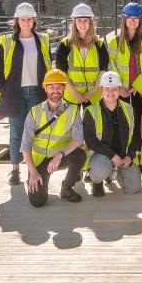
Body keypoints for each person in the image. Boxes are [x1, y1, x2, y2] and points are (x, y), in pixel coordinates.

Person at [0, 2, 51, 186]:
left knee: (33, 133)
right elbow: (1, 70)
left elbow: (48, 65)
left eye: (29, 19)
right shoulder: (7, 41)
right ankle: (15, 169)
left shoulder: (42, 40)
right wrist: (3, 90)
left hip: (36, 91)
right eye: (22, 19)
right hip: (15, 92)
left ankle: (31, 170)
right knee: (16, 132)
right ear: (16, 21)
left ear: (34, 20)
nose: (26, 23)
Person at [20, 69, 86, 207]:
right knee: (37, 202)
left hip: (60, 157)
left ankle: (67, 188)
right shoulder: (34, 112)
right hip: (40, 160)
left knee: (80, 155)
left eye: (59, 86)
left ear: (64, 88)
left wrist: (60, 155)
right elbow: (25, 146)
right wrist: (33, 172)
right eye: (51, 86)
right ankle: (37, 179)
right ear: (45, 88)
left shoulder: (73, 110)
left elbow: (79, 140)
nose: (55, 90)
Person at [83, 71, 142, 197]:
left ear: (119, 89)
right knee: (101, 169)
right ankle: (97, 181)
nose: (110, 92)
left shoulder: (129, 109)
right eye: (107, 88)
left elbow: (136, 135)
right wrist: (112, 155)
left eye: (114, 88)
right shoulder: (91, 111)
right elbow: (90, 141)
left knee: (134, 188)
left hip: (123, 155)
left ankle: (115, 171)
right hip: (102, 156)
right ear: (101, 90)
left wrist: (130, 156)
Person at [108, 2, 142, 136]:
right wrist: (118, 87)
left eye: (136, 18)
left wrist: (137, 87)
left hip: (140, 92)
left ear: (140, 20)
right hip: (121, 91)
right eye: (129, 18)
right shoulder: (115, 42)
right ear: (124, 20)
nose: (132, 21)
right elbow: (110, 67)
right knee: (122, 124)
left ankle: (137, 153)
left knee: (139, 124)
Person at [56, 3, 109, 108]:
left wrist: (93, 92)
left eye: (85, 20)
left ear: (91, 23)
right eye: (79, 20)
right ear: (74, 23)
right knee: (71, 123)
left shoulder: (99, 44)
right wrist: (75, 93)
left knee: (91, 124)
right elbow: (61, 72)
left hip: (93, 96)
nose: (82, 24)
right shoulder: (65, 44)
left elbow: (103, 70)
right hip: (71, 96)